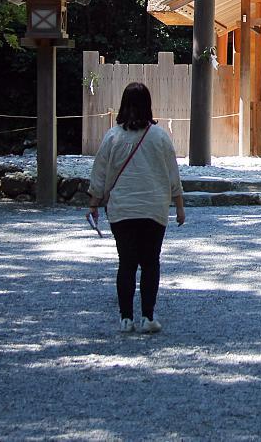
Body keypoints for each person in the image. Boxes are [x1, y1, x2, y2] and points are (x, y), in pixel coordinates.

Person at [88, 82, 185, 334]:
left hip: (122, 209)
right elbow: (172, 174)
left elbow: (99, 172)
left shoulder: (113, 137)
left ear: (123, 105)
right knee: (151, 262)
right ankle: (148, 316)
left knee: (126, 263)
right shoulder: (160, 136)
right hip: (153, 208)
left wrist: (94, 202)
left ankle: (125, 318)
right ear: (148, 105)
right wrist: (179, 206)